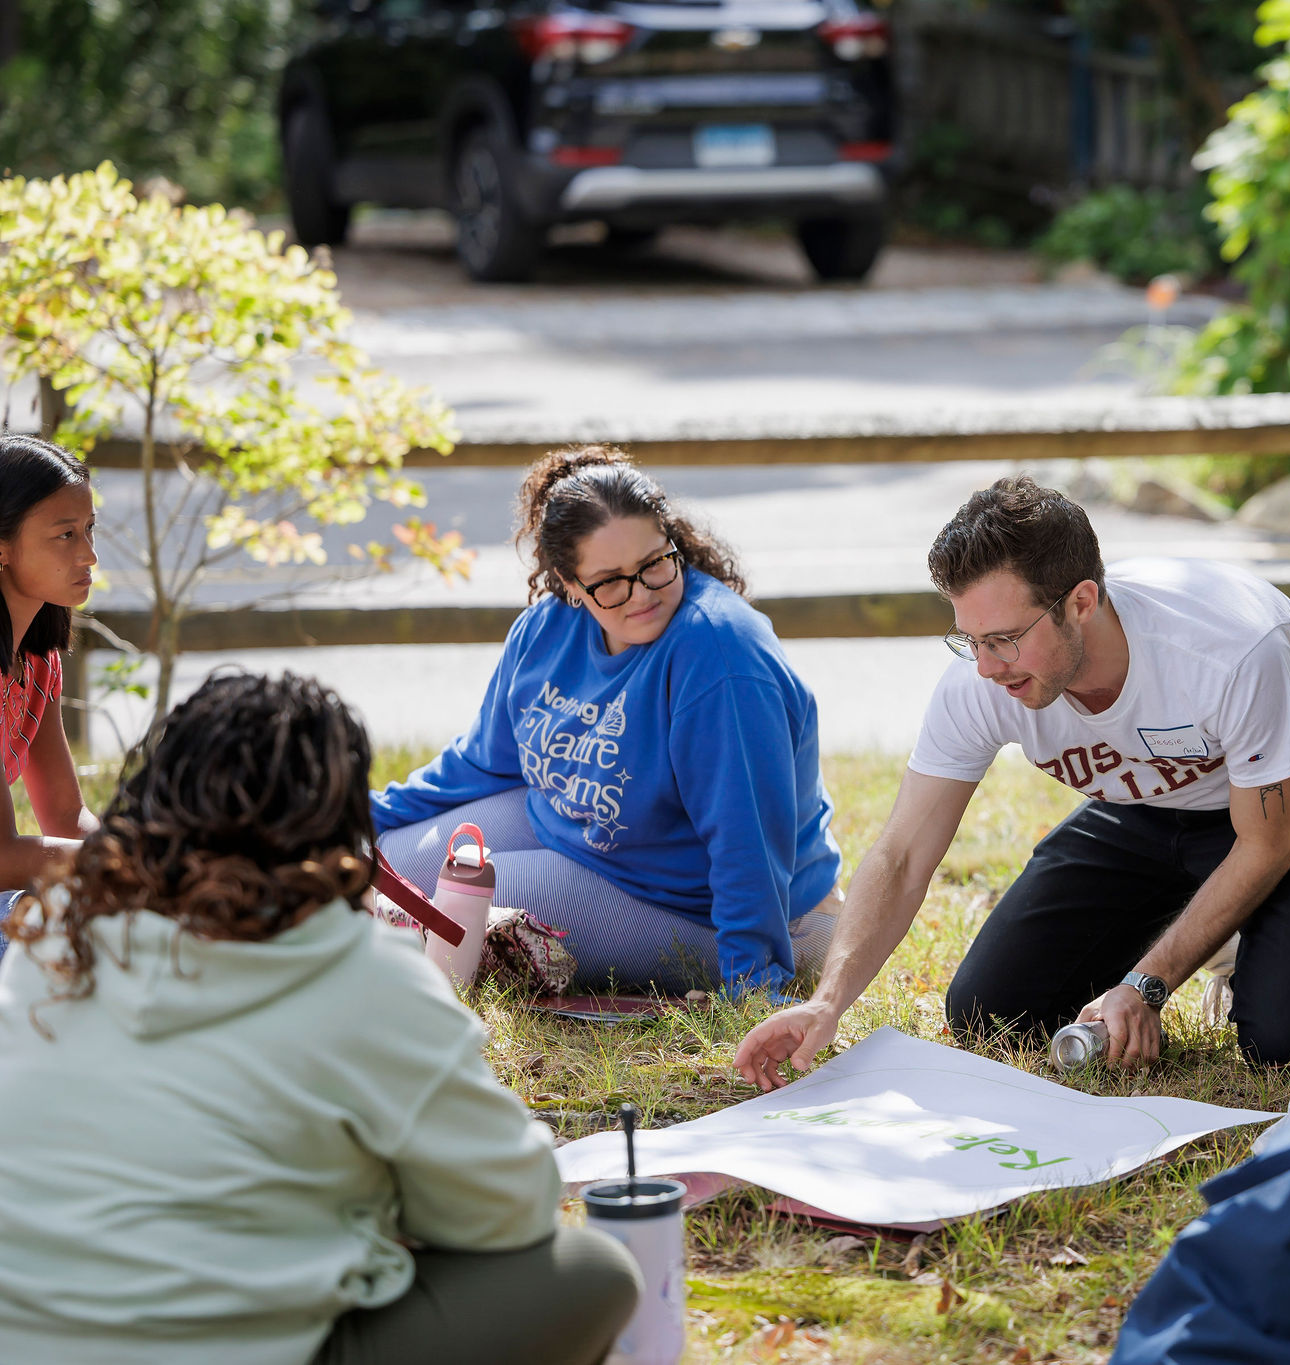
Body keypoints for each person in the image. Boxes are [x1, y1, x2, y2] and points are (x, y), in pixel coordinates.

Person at [0, 672, 642, 1364]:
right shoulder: (363, 971)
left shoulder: (53, 929)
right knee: (594, 1274)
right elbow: (511, 1203)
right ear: (338, 828)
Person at [735, 476, 1290, 1084]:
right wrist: (828, 1003)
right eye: (970, 639)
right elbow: (902, 856)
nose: (986, 668)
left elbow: (1269, 843)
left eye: (1006, 640)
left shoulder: (1229, 651)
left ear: (1081, 603)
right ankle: (1203, 922)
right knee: (992, 1013)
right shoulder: (981, 679)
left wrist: (1146, 983)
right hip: (1141, 804)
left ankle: (1236, 948)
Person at [373, 446, 841, 996]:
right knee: (382, 867)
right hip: (578, 834)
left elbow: (748, 840)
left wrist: (754, 984)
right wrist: (356, 820)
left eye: (654, 564)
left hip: (701, 906)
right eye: (610, 581)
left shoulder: (720, 658)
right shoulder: (545, 631)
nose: (642, 593)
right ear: (569, 583)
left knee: (451, 915)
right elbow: (481, 764)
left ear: (672, 541)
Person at [0, 435, 99, 926]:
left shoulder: (38, 662)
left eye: (89, 529)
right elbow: (0, 858)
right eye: (65, 535)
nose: (89, 555)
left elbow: (65, 816)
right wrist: (134, 867)